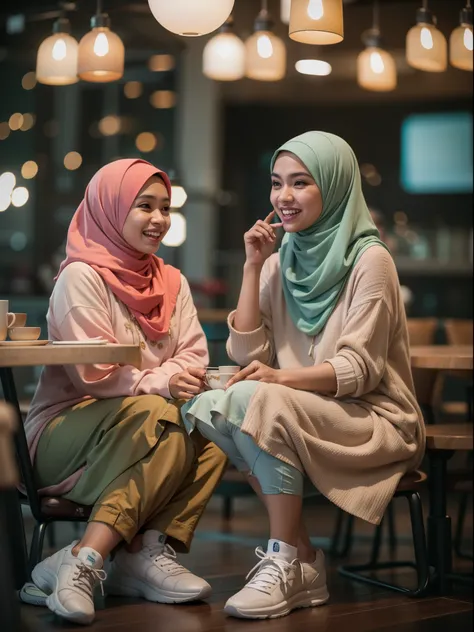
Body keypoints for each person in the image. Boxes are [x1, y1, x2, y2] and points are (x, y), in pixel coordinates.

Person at [183, 132, 425, 620]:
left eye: (300, 183)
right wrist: (253, 267)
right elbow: (246, 350)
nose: (283, 197)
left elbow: (358, 371)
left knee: (258, 400)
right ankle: (301, 560)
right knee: (209, 405)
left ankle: (285, 559)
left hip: (373, 419)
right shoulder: (279, 261)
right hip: (302, 412)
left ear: (334, 188)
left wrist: (277, 380)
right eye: (276, 184)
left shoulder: (371, 262)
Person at [25, 159, 227, 625]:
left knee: (215, 425)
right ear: (111, 209)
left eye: (165, 208)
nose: (158, 219)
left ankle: (140, 553)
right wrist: (163, 379)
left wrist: (168, 379)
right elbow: (94, 374)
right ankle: (88, 559)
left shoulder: (172, 282)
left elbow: (193, 357)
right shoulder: (82, 277)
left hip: (144, 428)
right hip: (63, 439)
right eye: (144, 206)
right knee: (160, 415)